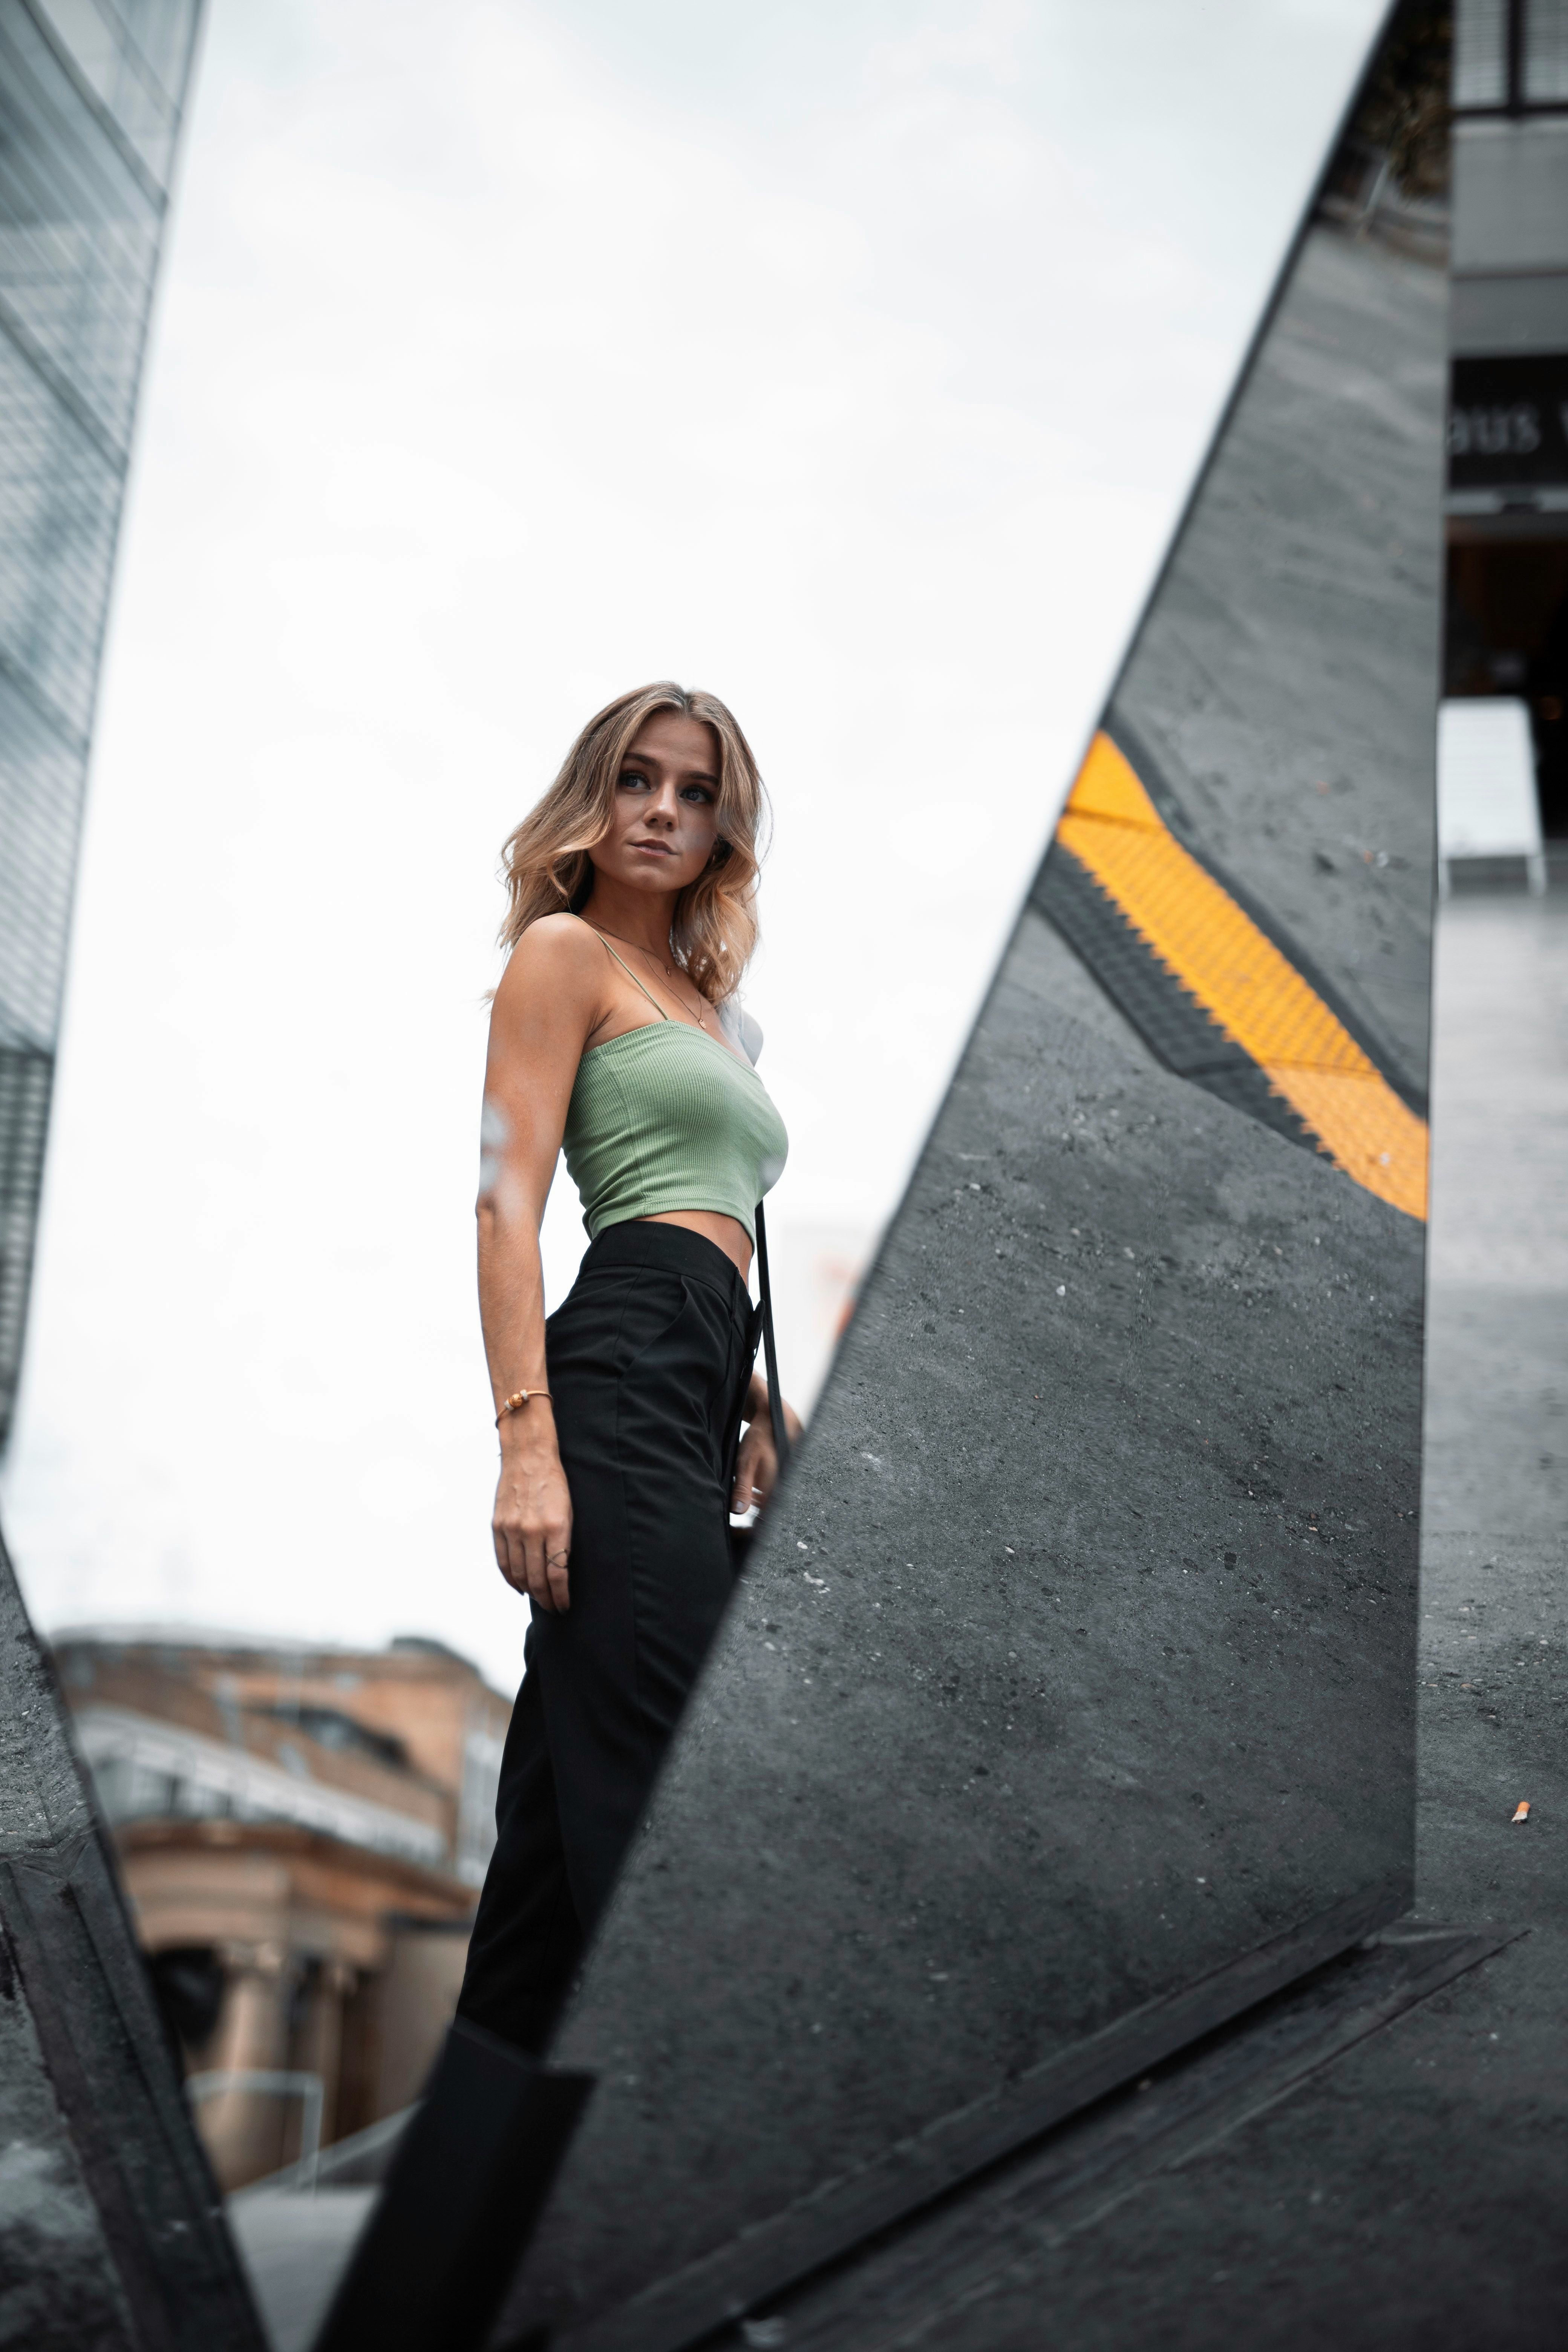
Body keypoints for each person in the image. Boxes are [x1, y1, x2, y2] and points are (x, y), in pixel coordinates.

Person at [455, 682, 797, 2054]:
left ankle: (471, 2197)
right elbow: (500, 1202)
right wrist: (525, 1444)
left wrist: (758, 1398)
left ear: (726, 828)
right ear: (593, 799)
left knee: (550, 1857)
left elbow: (727, 1218)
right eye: (639, 780)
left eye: (696, 791)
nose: (664, 810)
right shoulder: (563, 955)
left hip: (702, 1377)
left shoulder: (717, 1009)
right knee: (672, 1785)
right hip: (614, 1372)